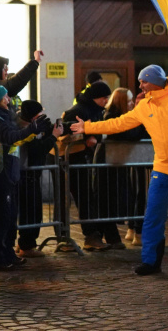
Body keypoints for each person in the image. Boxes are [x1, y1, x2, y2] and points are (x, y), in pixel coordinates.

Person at [73, 66, 168, 275]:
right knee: (152, 216)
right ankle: (151, 262)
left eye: (143, 81)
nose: (140, 86)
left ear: (155, 81)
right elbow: (120, 123)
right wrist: (89, 127)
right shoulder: (145, 105)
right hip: (163, 168)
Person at [0, 83, 57, 271]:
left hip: (5, 175)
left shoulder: (0, 118)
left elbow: (17, 139)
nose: (9, 99)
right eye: (5, 96)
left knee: (9, 218)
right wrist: (33, 129)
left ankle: (6, 254)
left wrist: (33, 131)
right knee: (2, 220)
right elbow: (11, 138)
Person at [62, 81, 120, 251]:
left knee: (87, 198)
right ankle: (69, 238)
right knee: (80, 198)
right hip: (73, 160)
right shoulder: (78, 111)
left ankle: (91, 236)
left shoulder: (95, 111)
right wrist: (87, 137)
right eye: (104, 97)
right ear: (96, 97)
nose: (106, 100)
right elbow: (68, 131)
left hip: (84, 159)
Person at [102, 88, 149, 246]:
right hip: (121, 162)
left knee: (134, 195)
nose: (132, 104)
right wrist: (142, 125)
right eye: (130, 101)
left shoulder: (126, 116)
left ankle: (132, 229)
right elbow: (130, 134)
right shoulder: (116, 117)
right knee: (135, 195)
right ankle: (135, 230)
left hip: (127, 161)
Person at [16, 100, 61, 258]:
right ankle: (26, 246)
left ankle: (23, 244)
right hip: (26, 175)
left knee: (29, 211)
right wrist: (54, 137)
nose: (42, 116)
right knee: (31, 212)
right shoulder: (25, 128)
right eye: (39, 113)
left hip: (28, 175)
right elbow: (37, 149)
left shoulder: (27, 124)